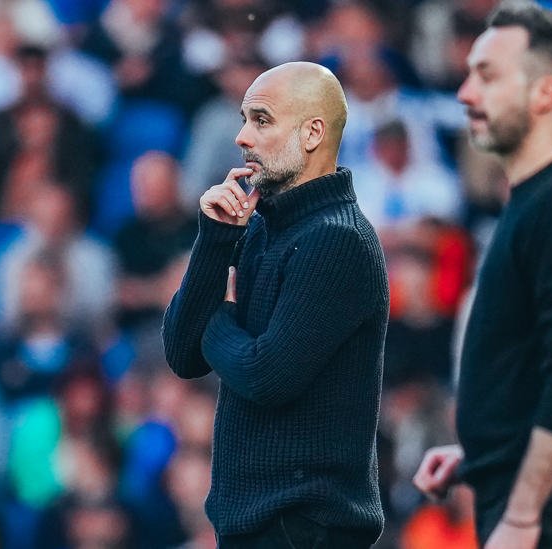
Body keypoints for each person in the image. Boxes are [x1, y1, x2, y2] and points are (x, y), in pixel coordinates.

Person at [412, 3, 552, 549]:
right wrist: (484, 453)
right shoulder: (541, 197)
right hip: (531, 498)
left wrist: (523, 512)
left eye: (486, 76)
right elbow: (537, 363)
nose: (465, 93)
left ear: (545, 93)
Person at [162, 61, 389, 548]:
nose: (242, 137)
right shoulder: (262, 225)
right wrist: (215, 239)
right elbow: (182, 354)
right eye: (244, 119)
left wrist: (219, 319)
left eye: (260, 120)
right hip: (258, 523)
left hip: (305, 525)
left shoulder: (338, 240)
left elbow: (267, 377)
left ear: (312, 133)